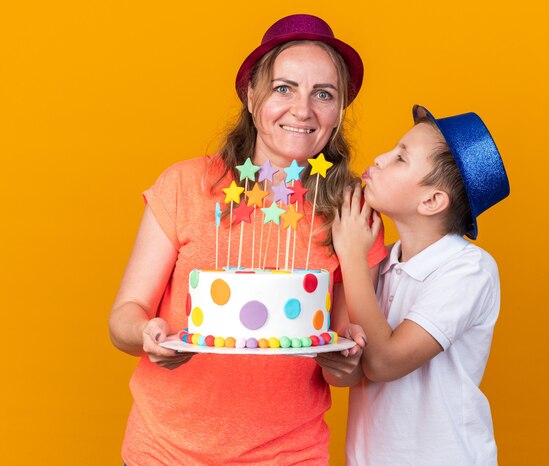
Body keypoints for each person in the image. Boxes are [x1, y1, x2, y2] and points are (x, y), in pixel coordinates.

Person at [108, 14, 387, 465]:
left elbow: (342, 362)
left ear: (338, 114)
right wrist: (147, 334)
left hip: (289, 455)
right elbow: (123, 318)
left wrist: (346, 361)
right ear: (251, 94)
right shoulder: (185, 185)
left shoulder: (353, 212)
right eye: (284, 88)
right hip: (163, 452)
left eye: (323, 94)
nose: (302, 110)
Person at [331, 105, 510, 465]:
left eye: (400, 158)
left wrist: (350, 255)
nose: (379, 159)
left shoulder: (468, 270)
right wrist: (359, 257)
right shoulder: (376, 260)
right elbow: (343, 373)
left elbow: (383, 363)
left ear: (431, 201)